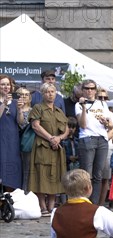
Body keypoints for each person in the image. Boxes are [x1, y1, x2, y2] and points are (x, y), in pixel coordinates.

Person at [28, 83, 68, 216]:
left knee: (55, 176)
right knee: (41, 175)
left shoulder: (59, 111)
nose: (50, 94)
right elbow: (36, 126)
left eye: (52, 91)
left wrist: (59, 138)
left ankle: (51, 207)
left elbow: (67, 129)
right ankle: (42, 206)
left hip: (57, 148)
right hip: (42, 146)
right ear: (42, 94)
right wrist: (51, 138)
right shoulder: (38, 108)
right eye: (47, 92)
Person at [76, 79, 113, 204]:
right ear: (83, 90)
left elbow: (110, 126)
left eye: (92, 88)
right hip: (87, 138)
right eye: (87, 88)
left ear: (95, 90)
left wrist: (106, 122)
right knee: (86, 174)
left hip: (102, 139)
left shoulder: (102, 104)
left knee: (98, 175)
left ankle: (95, 203)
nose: (89, 91)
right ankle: (84, 202)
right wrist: (83, 108)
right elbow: (82, 125)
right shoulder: (78, 104)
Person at [0, 74, 22, 190]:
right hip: (1, 139)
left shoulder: (14, 102)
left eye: (7, 84)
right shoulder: (3, 102)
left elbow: (20, 121)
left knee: (12, 169)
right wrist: (3, 103)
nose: (6, 87)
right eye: (3, 84)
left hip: (12, 141)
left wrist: (19, 110)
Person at [15, 87, 33, 191]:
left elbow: (23, 124)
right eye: (21, 94)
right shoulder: (13, 108)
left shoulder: (34, 110)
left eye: (26, 94)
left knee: (27, 171)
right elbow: (20, 124)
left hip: (27, 144)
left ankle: (25, 193)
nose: (24, 97)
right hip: (14, 142)